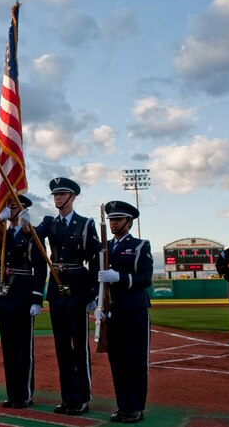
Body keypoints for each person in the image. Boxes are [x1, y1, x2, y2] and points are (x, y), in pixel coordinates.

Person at [36, 177, 101, 416]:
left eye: (62, 195)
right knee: (61, 347)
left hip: (77, 287)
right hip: (56, 288)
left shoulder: (85, 224)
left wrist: (93, 292)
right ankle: (67, 398)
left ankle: (82, 397)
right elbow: (33, 238)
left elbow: (95, 258)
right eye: (55, 195)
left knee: (79, 347)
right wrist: (24, 223)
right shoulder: (50, 223)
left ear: (73, 197)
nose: (58, 198)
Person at [96, 200, 153, 423]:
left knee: (135, 360)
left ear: (129, 222)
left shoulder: (140, 246)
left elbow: (145, 278)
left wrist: (119, 277)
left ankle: (136, 406)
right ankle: (122, 406)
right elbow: (99, 280)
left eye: (118, 219)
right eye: (111, 219)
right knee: (117, 361)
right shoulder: (105, 248)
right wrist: (98, 304)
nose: (113, 223)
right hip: (112, 312)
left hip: (134, 310)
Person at [0, 196, 47, 409]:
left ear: (23, 209)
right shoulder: (3, 233)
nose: (10, 210)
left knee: (23, 348)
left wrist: (36, 299)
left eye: (14, 206)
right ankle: (12, 393)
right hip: (4, 294)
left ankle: (25, 394)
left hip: (23, 293)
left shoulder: (32, 234)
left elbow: (39, 267)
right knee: (8, 348)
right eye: (8, 206)